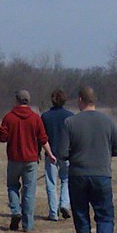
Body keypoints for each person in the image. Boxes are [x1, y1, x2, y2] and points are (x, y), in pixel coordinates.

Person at [59, 86, 117, 233]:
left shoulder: (70, 122)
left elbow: (62, 153)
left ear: (80, 100)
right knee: (105, 217)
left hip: (78, 176)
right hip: (102, 176)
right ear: (94, 100)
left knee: (82, 219)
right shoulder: (108, 121)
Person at [0, 89, 57, 233]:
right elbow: (43, 139)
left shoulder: (9, 117)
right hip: (31, 160)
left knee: (12, 186)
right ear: (28, 101)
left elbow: (2, 138)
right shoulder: (35, 118)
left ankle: (15, 211)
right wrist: (50, 154)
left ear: (16, 101)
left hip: (14, 159)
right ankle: (28, 225)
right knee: (29, 191)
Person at [41, 88, 73, 221]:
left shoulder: (45, 116)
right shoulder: (71, 116)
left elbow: (41, 137)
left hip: (50, 153)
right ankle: (64, 204)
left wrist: (39, 152)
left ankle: (53, 213)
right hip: (66, 154)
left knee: (51, 183)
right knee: (66, 179)